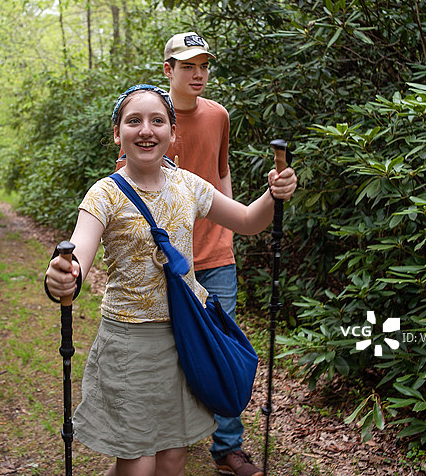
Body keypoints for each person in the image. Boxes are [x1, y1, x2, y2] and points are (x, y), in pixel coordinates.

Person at [45, 84, 297, 476]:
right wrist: (63, 275)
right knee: (139, 464)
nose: (146, 130)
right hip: (129, 345)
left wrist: (273, 194)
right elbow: (76, 255)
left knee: (173, 459)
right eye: (134, 121)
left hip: (186, 339)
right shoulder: (104, 196)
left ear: (172, 132)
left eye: (157, 121)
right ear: (118, 134)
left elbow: (248, 221)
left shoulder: (189, 185)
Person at [117, 32, 262, 476]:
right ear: (169, 70)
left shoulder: (218, 115)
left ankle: (227, 446)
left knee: (220, 344)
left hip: (215, 254)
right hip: (167, 259)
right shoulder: (149, 116)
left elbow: (221, 171)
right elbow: (126, 183)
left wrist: (228, 229)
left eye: (202, 66)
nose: (197, 74)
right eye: (186, 66)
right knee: (168, 348)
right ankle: (165, 432)